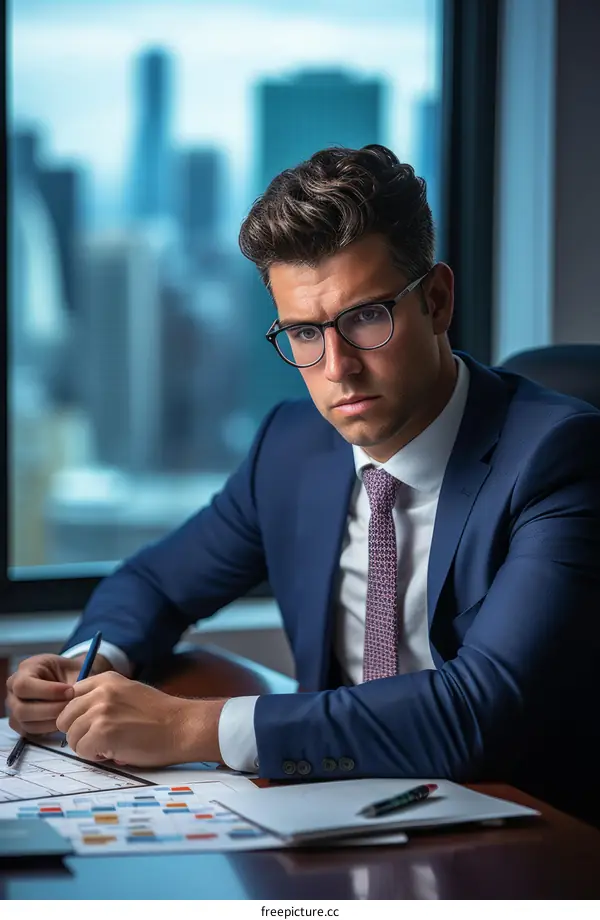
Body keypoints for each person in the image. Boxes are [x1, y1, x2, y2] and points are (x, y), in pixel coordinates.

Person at [6, 145, 600, 824]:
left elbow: (482, 710)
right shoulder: (293, 446)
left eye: (367, 317)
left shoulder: (559, 458)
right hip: (333, 816)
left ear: (436, 300)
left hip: (527, 833)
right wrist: (85, 670)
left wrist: (192, 729)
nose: (337, 368)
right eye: (303, 333)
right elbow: (156, 583)